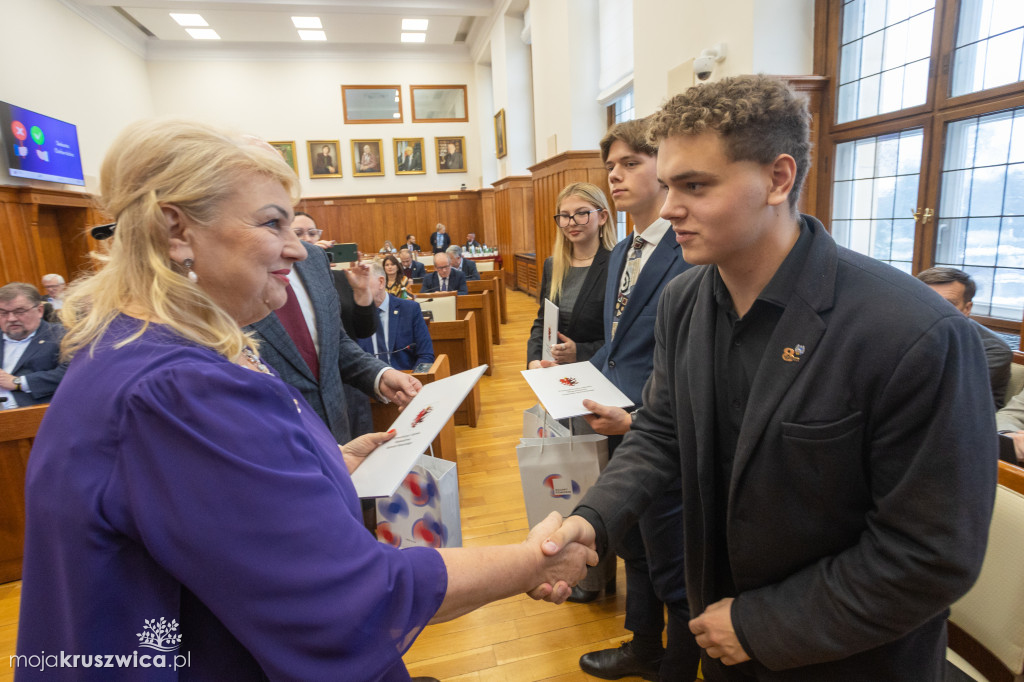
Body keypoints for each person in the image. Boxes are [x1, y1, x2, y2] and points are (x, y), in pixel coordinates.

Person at [16, 119, 593, 681]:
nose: (298, 250)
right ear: (175, 231)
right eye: (273, 223)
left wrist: (331, 462)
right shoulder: (177, 388)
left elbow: (201, 506)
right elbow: (350, 598)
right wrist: (532, 560)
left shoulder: (141, 343)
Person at [541, 75, 996, 681]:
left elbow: (931, 555)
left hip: (849, 658)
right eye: (670, 184)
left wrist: (761, 625)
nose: (671, 206)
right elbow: (661, 434)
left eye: (696, 186)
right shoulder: (685, 301)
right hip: (724, 645)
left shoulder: (916, 333)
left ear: (778, 179)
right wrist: (589, 520)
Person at [574, 118, 697, 682]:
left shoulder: (691, 244)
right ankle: (643, 646)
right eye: (611, 166)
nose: (615, 176)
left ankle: (679, 660)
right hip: (614, 422)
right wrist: (574, 374)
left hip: (664, 428)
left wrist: (642, 417)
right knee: (634, 548)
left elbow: (694, 357)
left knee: (674, 558)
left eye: (630, 163)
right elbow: (620, 346)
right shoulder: (622, 249)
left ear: (664, 167)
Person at [526, 182, 616, 369]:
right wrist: (534, 360)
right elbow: (543, 321)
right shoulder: (552, 265)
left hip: (598, 371)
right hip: (553, 369)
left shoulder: (617, 264)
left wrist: (581, 352)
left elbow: (624, 335)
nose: (572, 222)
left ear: (602, 217)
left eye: (582, 213)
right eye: (565, 216)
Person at [916, 266, 1012, 408]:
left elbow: (949, 396)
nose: (934, 309)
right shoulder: (908, 331)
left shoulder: (994, 350)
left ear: (967, 309)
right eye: (927, 301)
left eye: (948, 304)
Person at [291, 211, 376, 340]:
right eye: (298, 234)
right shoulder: (283, 281)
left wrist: (362, 291)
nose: (307, 239)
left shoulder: (342, 278)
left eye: (312, 233)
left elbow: (364, 331)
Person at [0, 282, 67, 409]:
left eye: (19, 311)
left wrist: (18, 382)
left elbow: (71, 372)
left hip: (34, 413)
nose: (11, 318)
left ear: (39, 310)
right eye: (3, 313)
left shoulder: (61, 336)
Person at [357, 262, 434, 371]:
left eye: (363, 281)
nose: (358, 288)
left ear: (381, 282)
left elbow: (426, 355)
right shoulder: (354, 315)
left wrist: (413, 381)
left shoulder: (410, 310)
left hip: (405, 381)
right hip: (368, 384)